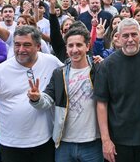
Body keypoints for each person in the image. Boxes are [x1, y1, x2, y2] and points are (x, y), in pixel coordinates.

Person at [28, 27, 103, 162]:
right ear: (66, 49)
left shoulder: (98, 70)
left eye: (79, 45)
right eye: (70, 45)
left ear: (87, 46)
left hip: (93, 143)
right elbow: (47, 100)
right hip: (64, 143)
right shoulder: (59, 73)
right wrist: (36, 99)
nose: (74, 49)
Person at [0, 26, 63, 162]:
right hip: (12, 146)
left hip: (45, 143)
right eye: (17, 45)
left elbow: (70, 76)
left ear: (38, 46)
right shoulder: (0, 72)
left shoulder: (51, 62)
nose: (21, 50)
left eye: (27, 45)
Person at [94, 18, 140, 162]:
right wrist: (105, 140)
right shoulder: (107, 65)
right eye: (125, 35)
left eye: (134, 35)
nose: (130, 39)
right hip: (118, 141)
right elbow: (101, 104)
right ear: (117, 37)